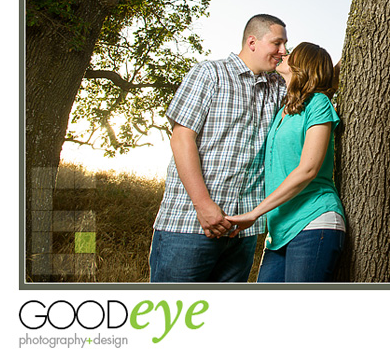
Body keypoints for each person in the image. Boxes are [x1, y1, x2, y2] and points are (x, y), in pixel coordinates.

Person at [148, 14, 289, 282]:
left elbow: (319, 83)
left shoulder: (277, 87)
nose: (284, 51)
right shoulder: (210, 73)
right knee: (171, 316)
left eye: (286, 45)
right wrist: (204, 205)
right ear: (252, 42)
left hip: (241, 234)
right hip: (189, 226)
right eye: (277, 43)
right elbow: (181, 138)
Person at [227, 42, 345, 282]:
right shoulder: (285, 109)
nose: (284, 54)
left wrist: (255, 213)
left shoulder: (319, 103)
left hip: (314, 221)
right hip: (279, 231)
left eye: (291, 54)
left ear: (302, 65)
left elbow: (308, 169)